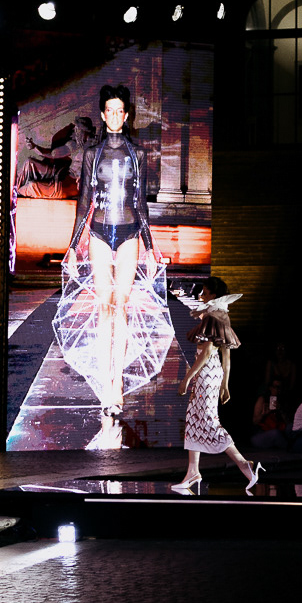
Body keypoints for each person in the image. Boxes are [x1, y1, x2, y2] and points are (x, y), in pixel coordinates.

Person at [57, 84, 170, 421]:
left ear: (126, 114)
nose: (117, 116)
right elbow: (84, 204)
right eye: (111, 111)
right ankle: (106, 381)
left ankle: (116, 381)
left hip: (129, 234)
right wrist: (72, 248)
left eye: (121, 110)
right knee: (104, 308)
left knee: (121, 308)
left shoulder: (138, 154)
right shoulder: (93, 154)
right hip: (98, 235)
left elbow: (141, 205)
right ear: (104, 115)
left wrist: (151, 249)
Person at [172, 290, 263, 494]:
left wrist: (187, 379)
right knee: (194, 418)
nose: (201, 297)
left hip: (205, 374)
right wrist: (225, 384)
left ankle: (244, 464)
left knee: (208, 421)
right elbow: (226, 358)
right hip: (212, 374)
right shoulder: (220, 316)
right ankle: (193, 471)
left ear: (213, 296)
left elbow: (206, 353)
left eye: (204, 293)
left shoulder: (212, 318)